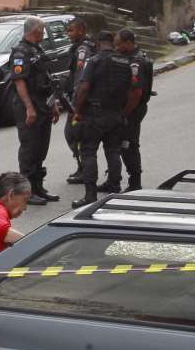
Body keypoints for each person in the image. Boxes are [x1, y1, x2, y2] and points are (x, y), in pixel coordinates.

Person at [71, 27, 143, 208]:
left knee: (88, 152)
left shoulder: (94, 60)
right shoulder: (127, 62)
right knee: (112, 151)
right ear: (113, 43)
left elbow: (84, 87)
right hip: (115, 115)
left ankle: (90, 195)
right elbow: (134, 91)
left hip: (94, 115)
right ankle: (114, 187)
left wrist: (77, 110)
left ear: (97, 44)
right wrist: (123, 112)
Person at [9, 17, 60, 205]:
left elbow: (46, 81)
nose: (44, 34)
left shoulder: (37, 50)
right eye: (43, 30)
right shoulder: (20, 52)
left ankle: (38, 187)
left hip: (43, 104)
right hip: (28, 105)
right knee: (29, 149)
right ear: (36, 30)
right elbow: (19, 81)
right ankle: (27, 193)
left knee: (41, 148)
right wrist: (29, 108)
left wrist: (53, 104)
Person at [115, 31, 153, 193]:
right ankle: (117, 178)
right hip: (131, 107)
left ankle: (135, 181)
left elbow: (136, 93)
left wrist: (124, 114)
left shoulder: (136, 61)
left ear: (129, 42)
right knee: (123, 144)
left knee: (128, 144)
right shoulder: (133, 57)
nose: (117, 48)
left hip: (133, 109)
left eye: (119, 44)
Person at [63, 19, 97, 185]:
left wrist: (75, 105)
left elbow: (80, 79)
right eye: (68, 31)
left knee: (73, 134)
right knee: (74, 135)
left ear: (82, 30)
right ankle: (82, 167)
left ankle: (84, 169)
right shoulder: (81, 46)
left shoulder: (83, 49)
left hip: (80, 101)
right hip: (80, 99)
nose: (69, 34)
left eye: (71, 30)